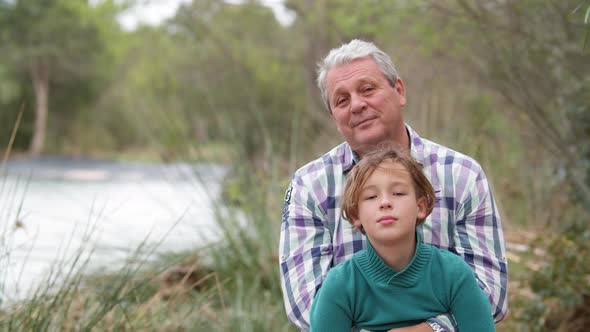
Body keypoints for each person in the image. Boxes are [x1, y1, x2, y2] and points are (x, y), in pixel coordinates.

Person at [278, 39, 508, 332]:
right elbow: (306, 305)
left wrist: (431, 330)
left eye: (367, 89)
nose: (357, 105)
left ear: (399, 90)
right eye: (342, 100)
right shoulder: (308, 187)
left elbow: (491, 295)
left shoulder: (462, 175)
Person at [309, 147, 495, 331]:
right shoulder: (341, 285)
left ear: (420, 206)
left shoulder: (453, 273)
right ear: (356, 214)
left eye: (398, 193)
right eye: (371, 196)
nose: (385, 202)